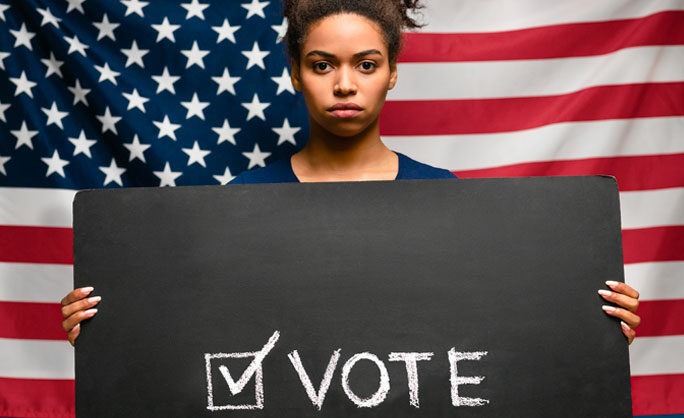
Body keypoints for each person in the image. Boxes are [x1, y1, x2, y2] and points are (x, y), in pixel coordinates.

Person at [60, 0, 641, 345]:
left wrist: (588, 325)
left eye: (366, 64)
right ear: (295, 72)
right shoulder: (238, 203)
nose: (344, 84)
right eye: (322, 65)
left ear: (391, 72)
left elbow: (492, 333)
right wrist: (111, 330)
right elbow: (204, 339)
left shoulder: (445, 198)